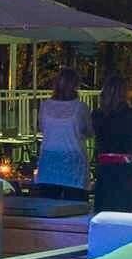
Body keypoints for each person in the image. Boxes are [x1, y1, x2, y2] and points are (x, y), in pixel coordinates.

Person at [33, 65, 91, 194]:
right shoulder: (81, 108)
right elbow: (89, 131)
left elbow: (42, 128)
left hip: (49, 159)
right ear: (76, 85)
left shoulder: (45, 106)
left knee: (48, 203)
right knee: (75, 203)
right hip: (73, 159)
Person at [93, 78, 132, 213]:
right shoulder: (131, 113)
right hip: (127, 168)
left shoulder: (97, 115)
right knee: (130, 210)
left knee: (106, 208)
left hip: (105, 168)